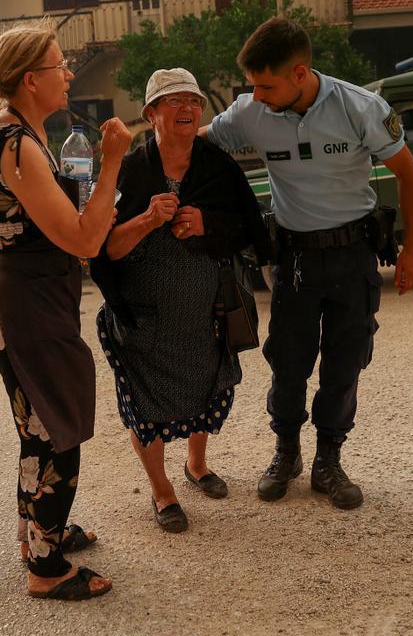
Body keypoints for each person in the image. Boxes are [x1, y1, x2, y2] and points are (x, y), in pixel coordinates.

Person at [201, 16, 413, 510]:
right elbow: (195, 143)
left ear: (299, 73)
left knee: (345, 364)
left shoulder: (361, 108)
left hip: (353, 255)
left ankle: (329, 459)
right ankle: (287, 453)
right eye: (252, 86)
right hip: (295, 258)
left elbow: (410, 177)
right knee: (288, 363)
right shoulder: (249, 112)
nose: (256, 95)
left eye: (266, 84)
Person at [0, 24, 131, 601]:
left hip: (13, 297)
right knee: (58, 430)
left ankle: (38, 532)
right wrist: (111, 162)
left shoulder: (13, 137)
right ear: (31, 81)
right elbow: (85, 240)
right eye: (60, 66)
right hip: (22, 304)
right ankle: (46, 567)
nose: (68, 74)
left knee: (37, 427)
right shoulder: (17, 147)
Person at [90, 68, 268, 534]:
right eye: (174, 101)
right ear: (151, 115)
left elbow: (251, 229)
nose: (188, 108)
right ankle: (162, 490)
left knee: (205, 386)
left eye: (193, 100)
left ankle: (197, 464)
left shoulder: (217, 165)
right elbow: (103, 248)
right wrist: (149, 220)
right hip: (144, 320)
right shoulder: (130, 170)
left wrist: (208, 224)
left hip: (203, 313)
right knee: (145, 405)